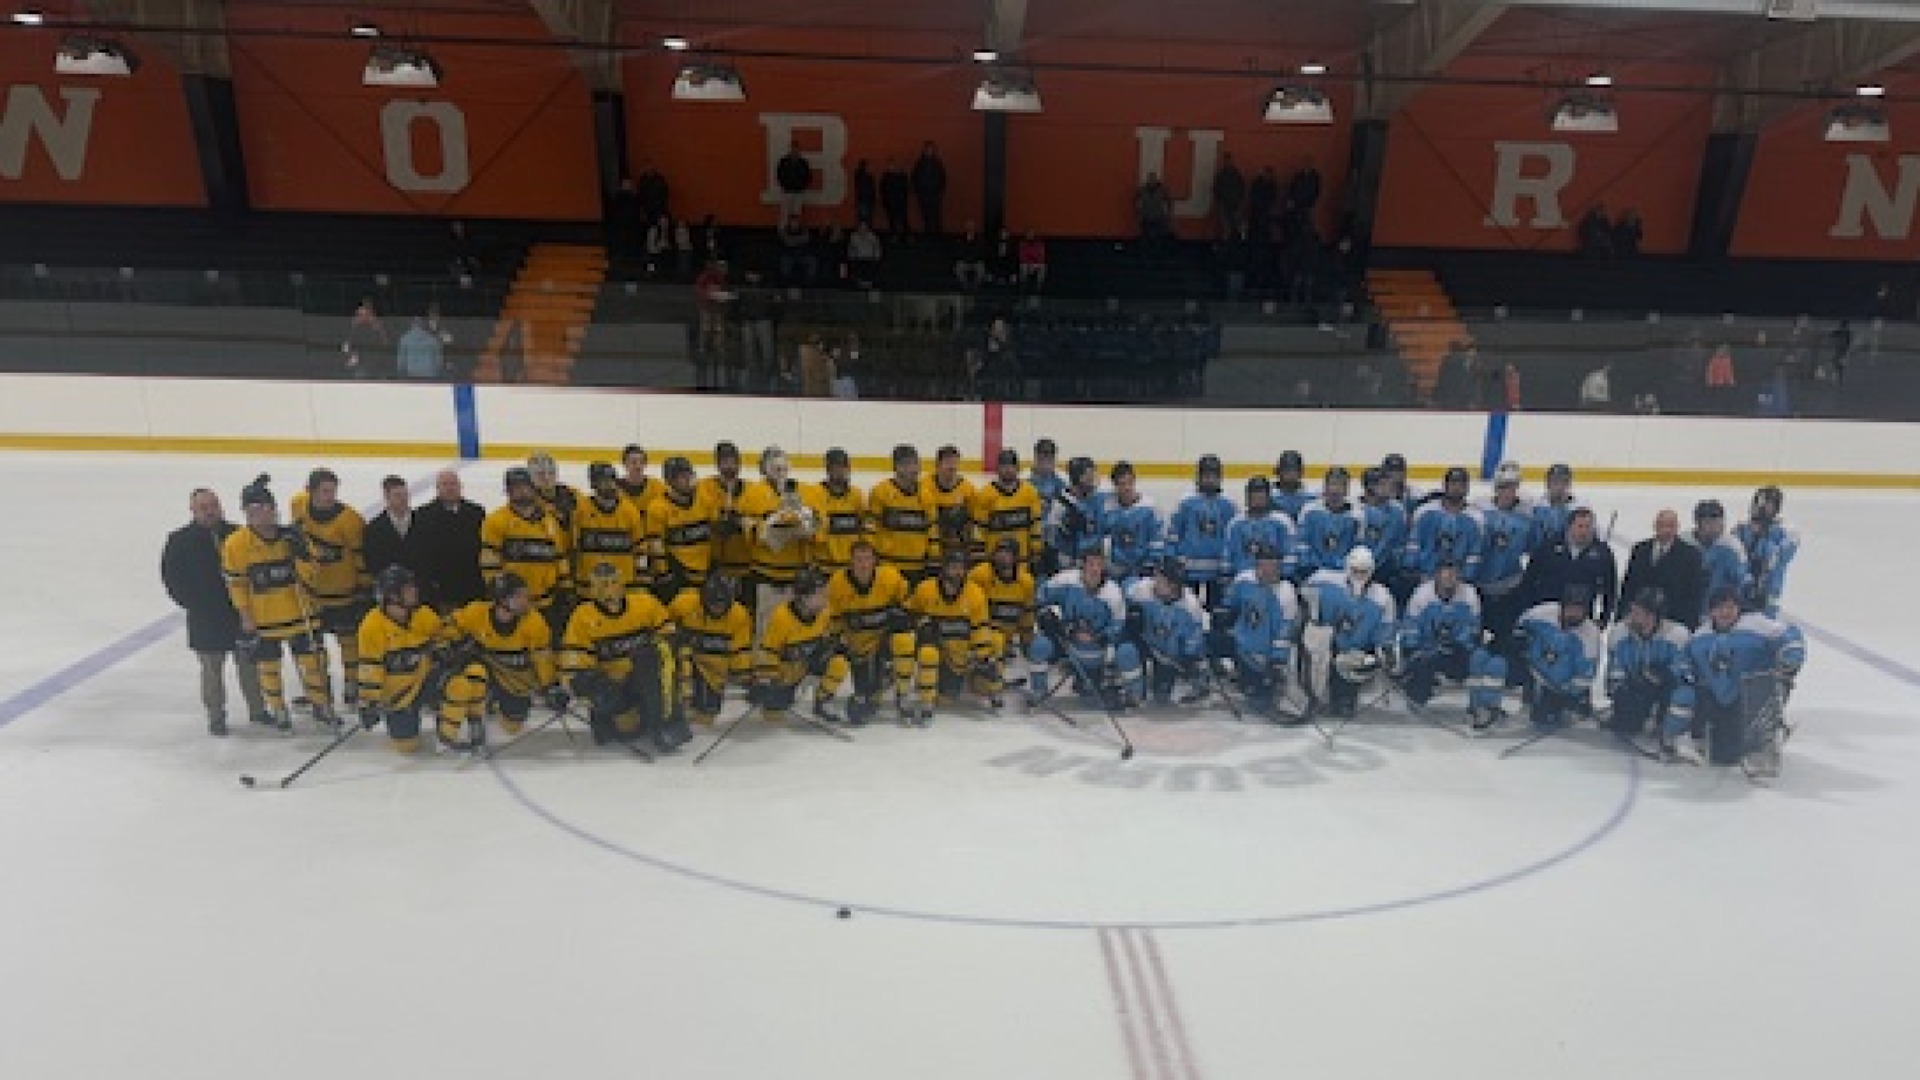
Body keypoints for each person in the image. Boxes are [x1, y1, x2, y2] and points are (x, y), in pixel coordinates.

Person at [221, 475, 333, 731]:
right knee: (269, 669)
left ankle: (322, 705)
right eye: (250, 510)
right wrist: (245, 616)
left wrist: (302, 555)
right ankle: (279, 710)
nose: (256, 514)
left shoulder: (293, 537)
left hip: (300, 612)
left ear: (273, 508)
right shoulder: (236, 545)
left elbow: (314, 576)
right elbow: (236, 584)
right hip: (264, 619)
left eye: (262, 508)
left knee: (313, 664)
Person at [162, 487, 266, 735]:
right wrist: (194, 603)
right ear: (193, 510)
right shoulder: (179, 541)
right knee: (211, 671)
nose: (210, 511)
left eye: (214, 505)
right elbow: (172, 579)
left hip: (239, 614)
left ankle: (258, 710)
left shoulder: (238, 534)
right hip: (205, 617)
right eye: (204, 507)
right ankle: (216, 715)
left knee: (250, 666)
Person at [1676, 587, 1805, 775]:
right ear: (1711, 611)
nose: (1725, 613)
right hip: (1726, 698)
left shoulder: (1758, 625)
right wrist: (1685, 674)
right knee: (1725, 756)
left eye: (1730, 607)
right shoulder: (1701, 637)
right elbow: (1684, 660)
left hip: (1759, 692)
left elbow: (1791, 636)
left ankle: (1766, 744)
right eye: (1720, 608)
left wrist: (1789, 659)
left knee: (1760, 692)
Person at [561, 562, 688, 751]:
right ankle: (626, 715)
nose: (610, 590)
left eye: (613, 582)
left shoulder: (645, 603)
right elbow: (574, 667)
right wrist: (587, 690)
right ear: (593, 588)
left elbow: (670, 637)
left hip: (646, 680)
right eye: (603, 584)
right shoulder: (582, 617)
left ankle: (666, 723)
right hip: (613, 686)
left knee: (652, 656)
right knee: (621, 729)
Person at [441, 572, 566, 747]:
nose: (525, 601)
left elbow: (543, 658)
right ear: (501, 600)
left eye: (525, 595)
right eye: (518, 596)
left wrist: (551, 687)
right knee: (474, 673)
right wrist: (448, 643)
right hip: (488, 674)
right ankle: (464, 726)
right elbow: (446, 628)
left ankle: (494, 705)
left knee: (512, 726)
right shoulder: (476, 612)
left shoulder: (534, 622)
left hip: (516, 682)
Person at [290, 468, 371, 712]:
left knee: (349, 644)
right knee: (315, 647)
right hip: (312, 595)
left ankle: (352, 686)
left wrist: (365, 590)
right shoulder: (299, 506)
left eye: (332, 491)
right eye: (324, 491)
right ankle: (318, 689)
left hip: (344, 593)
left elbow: (360, 559)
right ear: (311, 491)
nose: (330, 496)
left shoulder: (350, 520)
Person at [353, 565, 457, 754]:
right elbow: (370, 669)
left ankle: (447, 734)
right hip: (398, 695)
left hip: (425, 681)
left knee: (460, 681)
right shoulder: (371, 627)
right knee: (406, 746)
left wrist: (447, 647)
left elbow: (442, 635)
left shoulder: (423, 614)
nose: (414, 592)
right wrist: (369, 703)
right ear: (392, 596)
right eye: (407, 589)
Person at [1027, 546, 1142, 709]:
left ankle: (1133, 695)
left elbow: (1119, 625)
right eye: (1091, 564)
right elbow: (1040, 597)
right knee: (1040, 645)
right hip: (1068, 645)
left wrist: (1101, 638)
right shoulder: (1064, 580)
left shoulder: (1113, 594)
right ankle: (1039, 691)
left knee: (1127, 651)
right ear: (1082, 565)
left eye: (1099, 564)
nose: (1095, 569)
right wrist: (1046, 615)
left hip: (1096, 650)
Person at [1396, 559, 1507, 725]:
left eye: (1454, 573)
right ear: (1437, 575)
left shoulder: (1469, 594)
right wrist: (1418, 651)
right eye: (1445, 573)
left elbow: (1473, 628)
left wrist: (1458, 644)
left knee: (1486, 659)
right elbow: (1411, 629)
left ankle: (1481, 706)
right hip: (1428, 652)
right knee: (1419, 665)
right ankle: (1417, 695)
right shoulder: (1421, 595)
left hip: (1457, 652)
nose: (1450, 577)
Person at [1299, 546, 1397, 719]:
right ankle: (1312, 696)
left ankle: (1344, 694)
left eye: (1363, 571)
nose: (1359, 575)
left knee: (1343, 705)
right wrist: (1313, 619)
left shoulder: (1383, 598)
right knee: (1315, 644)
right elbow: (1302, 595)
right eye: (1355, 570)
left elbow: (1385, 634)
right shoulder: (1323, 580)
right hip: (1329, 645)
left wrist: (1385, 653)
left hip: (1357, 653)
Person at [826, 541, 917, 725]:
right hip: (858, 649)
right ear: (850, 562)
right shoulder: (837, 582)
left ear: (875, 561)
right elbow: (832, 620)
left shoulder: (890, 577)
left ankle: (903, 694)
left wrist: (903, 614)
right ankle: (879, 681)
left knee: (904, 640)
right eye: (858, 559)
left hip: (883, 642)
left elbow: (909, 603)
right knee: (867, 699)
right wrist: (837, 643)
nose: (863, 564)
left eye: (867, 559)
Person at [906, 550, 1001, 720]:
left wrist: (984, 658)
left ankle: (989, 687)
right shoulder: (925, 589)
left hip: (961, 653)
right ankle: (925, 701)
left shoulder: (975, 593)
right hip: (937, 651)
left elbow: (981, 627)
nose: (957, 572)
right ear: (944, 569)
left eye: (961, 568)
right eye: (953, 567)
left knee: (996, 641)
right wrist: (922, 625)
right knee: (929, 655)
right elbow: (910, 615)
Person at [479, 467, 573, 640]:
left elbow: (560, 557)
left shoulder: (550, 520)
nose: (521, 491)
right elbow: (489, 562)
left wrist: (566, 587)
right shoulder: (496, 521)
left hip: (547, 601)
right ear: (508, 491)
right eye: (515, 488)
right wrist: (500, 594)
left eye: (525, 486)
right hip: (512, 603)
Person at [752, 568, 849, 725]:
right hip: (784, 674)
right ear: (803, 597)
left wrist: (837, 645)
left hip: (807, 666)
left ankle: (822, 702)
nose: (824, 598)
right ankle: (780, 698)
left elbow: (831, 634)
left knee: (839, 662)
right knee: (773, 718)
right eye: (819, 594)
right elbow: (768, 652)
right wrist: (764, 682)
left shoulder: (824, 613)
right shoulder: (781, 617)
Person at [1214, 542, 1299, 720]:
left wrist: (1277, 660)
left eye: (1273, 565)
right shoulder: (1244, 579)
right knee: (1206, 641)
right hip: (1239, 643)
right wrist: (1224, 612)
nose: (1268, 570)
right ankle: (1219, 676)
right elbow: (1231, 602)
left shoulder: (1286, 593)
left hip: (1261, 656)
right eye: (1263, 564)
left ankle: (1263, 685)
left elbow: (1284, 632)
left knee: (1257, 700)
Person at [743, 447, 819, 644]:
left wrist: (808, 525)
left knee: (795, 634)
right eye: (774, 466)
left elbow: (818, 526)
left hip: (797, 579)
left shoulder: (805, 491)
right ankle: (764, 673)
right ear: (763, 468)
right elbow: (748, 529)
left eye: (782, 466)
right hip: (767, 579)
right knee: (766, 633)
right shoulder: (753, 493)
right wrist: (768, 531)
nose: (780, 470)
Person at [1605, 588, 1691, 746]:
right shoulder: (1620, 632)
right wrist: (1621, 700)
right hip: (1636, 689)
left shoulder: (1677, 635)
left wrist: (1670, 726)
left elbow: (1685, 679)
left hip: (1665, 692)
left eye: (1639, 613)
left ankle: (1668, 728)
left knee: (1678, 696)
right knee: (1625, 719)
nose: (1632, 617)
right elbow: (1614, 675)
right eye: (1633, 611)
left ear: (1653, 616)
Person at [667, 574, 753, 727]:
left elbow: (740, 652)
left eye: (721, 605)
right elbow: (664, 630)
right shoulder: (683, 604)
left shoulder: (740, 615)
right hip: (684, 662)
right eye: (712, 603)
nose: (717, 609)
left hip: (713, 672)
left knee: (706, 719)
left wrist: (747, 679)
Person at [1474, 461, 1537, 664]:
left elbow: (1532, 548)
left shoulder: (1527, 514)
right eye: (1503, 487)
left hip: (1510, 586)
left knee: (1506, 638)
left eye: (1512, 487)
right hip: (1480, 585)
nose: (1507, 492)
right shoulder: (1479, 511)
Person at [1512, 586, 1601, 731]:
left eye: (1579, 610)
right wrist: (1522, 645)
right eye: (1571, 608)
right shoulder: (1541, 614)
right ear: (1562, 606)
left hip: (1564, 685)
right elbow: (1519, 630)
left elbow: (1585, 676)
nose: (1574, 614)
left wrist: (1566, 694)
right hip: (1536, 674)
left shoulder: (1590, 635)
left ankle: (1574, 705)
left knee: (1549, 716)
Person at [1126, 557, 1211, 706]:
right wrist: (1131, 617)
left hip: (1168, 655)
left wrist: (1188, 660)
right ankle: (1135, 692)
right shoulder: (1140, 590)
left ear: (1173, 585)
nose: (1155, 581)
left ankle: (1199, 684)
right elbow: (1123, 589)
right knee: (1126, 651)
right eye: (1156, 575)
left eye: (1160, 578)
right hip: (1146, 643)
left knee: (1162, 695)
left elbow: (1195, 641)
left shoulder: (1191, 607)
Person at [1520, 506, 1618, 626]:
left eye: (1588, 527)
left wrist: (1604, 619)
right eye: (1580, 526)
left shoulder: (1603, 554)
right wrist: (1528, 608)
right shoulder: (1549, 546)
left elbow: (1610, 589)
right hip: (1546, 613)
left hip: (1581, 617)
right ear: (1569, 526)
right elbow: (1529, 578)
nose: (1584, 531)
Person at [1619, 509, 1706, 635]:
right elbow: (1629, 586)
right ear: (1655, 526)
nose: (1666, 530)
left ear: (1677, 528)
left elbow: (1694, 594)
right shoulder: (1640, 550)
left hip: (1674, 622)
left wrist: (1690, 626)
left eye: (1671, 526)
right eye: (1662, 525)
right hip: (1640, 620)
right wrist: (1621, 616)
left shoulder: (1691, 555)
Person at [413, 469, 486, 614]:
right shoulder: (423, 515)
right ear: (437, 488)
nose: (450, 488)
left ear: (460, 486)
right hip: (440, 588)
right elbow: (420, 553)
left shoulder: (476, 512)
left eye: (453, 484)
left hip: (471, 585)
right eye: (445, 484)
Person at [1169, 455, 1237, 609]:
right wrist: (1173, 559)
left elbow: (1232, 538)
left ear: (1220, 478)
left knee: (1218, 613)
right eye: (1206, 476)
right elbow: (1174, 533)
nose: (1209, 480)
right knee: (1187, 608)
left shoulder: (1228, 505)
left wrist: (1229, 567)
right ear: (1198, 477)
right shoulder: (1186, 502)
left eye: (1213, 476)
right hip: (1188, 570)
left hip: (1218, 572)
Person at [646, 456, 718, 602]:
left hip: (706, 576)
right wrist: (664, 575)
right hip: (678, 579)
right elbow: (655, 546)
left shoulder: (704, 500)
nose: (689, 480)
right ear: (670, 481)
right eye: (682, 477)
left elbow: (716, 531)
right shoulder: (658, 508)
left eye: (689, 475)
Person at [573, 462, 648, 601]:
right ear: (593, 484)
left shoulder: (629, 511)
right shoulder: (580, 510)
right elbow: (573, 547)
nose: (610, 485)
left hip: (624, 587)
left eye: (612, 480)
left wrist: (641, 579)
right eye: (603, 482)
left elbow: (640, 548)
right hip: (589, 589)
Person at [970, 538, 1036, 688]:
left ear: (1015, 557)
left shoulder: (1026, 582)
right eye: (999, 552)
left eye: (1007, 553)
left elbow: (1027, 615)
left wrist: (1027, 641)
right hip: (978, 637)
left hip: (1006, 642)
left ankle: (994, 680)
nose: (1002, 556)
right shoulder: (979, 575)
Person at [869, 444, 936, 582]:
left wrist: (933, 558)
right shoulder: (880, 492)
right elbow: (871, 529)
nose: (914, 469)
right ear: (897, 467)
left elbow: (932, 530)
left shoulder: (926, 496)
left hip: (918, 566)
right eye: (907, 464)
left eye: (916, 463)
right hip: (888, 565)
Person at [1407, 467, 1485, 584]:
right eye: (1453, 483)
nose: (1457, 488)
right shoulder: (1424, 512)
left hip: (1459, 583)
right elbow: (1414, 544)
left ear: (1467, 488)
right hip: (1426, 578)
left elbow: (1474, 552)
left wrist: (1466, 576)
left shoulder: (1476, 518)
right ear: (1445, 485)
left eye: (1461, 484)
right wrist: (1412, 566)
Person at [972, 448, 1045, 565]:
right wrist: (979, 555)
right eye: (1004, 466)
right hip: (994, 561)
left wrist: (1036, 550)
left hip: (1022, 560)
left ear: (1017, 468)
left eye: (1011, 466)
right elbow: (979, 529)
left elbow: (1035, 524)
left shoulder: (1029, 492)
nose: (1008, 470)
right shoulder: (985, 494)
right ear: (998, 469)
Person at [1733, 485, 1798, 617]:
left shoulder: (1786, 531)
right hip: (1741, 586)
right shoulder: (1742, 527)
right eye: (1758, 502)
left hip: (1769, 589)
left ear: (1776, 507)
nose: (1761, 507)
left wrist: (1762, 534)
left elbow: (1779, 557)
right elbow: (1733, 553)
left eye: (1767, 503)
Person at [805, 448, 867, 576]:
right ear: (828, 469)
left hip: (850, 568)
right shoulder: (814, 493)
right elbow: (811, 532)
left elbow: (864, 529)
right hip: (822, 568)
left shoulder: (857, 495)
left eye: (843, 467)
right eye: (835, 467)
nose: (840, 471)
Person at [1097, 461, 1161, 582]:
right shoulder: (1108, 506)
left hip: (1143, 569)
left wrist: (1151, 564)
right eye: (1122, 484)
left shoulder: (1150, 507)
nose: (1127, 488)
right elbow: (1101, 534)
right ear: (1114, 486)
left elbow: (1157, 539)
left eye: (1129, 483)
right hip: (1117, 568)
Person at [1296, 467, 1365, 575]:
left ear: (1347, 489)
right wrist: (1311, 568)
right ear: (1325, 487)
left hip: (1345, 574)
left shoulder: (1357, 515)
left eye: (1340, 485)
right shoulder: (1309, 510)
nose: (1335, 489)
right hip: (1313, 573)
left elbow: (1358, 549)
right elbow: (1302, 544)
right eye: (1332, 484)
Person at [1227, 476, 1296, 581]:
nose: (1257, 498)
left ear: (1268, 497)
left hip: (1274, 580)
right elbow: (1228, 555)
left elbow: (1289, 555)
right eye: (1253, 493)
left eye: (1261, 493)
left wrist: (1280, 576)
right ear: (1247, 497)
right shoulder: (1235, 523)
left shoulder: (1283, 521)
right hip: (1243, 582)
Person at [362, 474, 421, 584]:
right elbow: (373, 564)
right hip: (389, 591)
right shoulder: (374, 528)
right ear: (386, 497)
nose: (404, 499)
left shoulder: (423, 522)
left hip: (421, 589)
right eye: (398, 495)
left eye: (406, 495)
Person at [1531, 463, 1583, 543]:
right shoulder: (1535, 505)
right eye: (1555, 482)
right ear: (1548, 484)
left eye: (1564, 482)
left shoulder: (1579, 508)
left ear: (1569, 484)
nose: (1560, 487)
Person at [341, 299, 387, 379]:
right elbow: (346, 346)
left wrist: (379, 329)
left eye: (362, 314)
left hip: (376, 367)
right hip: (360, 368)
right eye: (358, 314)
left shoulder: (377, 327)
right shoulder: (356, 328)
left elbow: (386, 345)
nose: (359, 316)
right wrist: (351, 356)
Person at [911, 141, 947, 236]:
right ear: (924, 150)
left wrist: (939, 191)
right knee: (926, 217)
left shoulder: (938, 163)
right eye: (927, 149)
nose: (929, 151)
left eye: (931, 149)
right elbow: (914, 178)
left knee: (936, 216)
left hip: (934, 195)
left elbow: (943, 178)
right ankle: (928, 236)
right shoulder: (919, 164)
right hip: (923, 195)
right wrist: (918, 191)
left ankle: (938, 236)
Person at [1269, 450, 1314, 523]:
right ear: (1278, 471)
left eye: (1294, 469)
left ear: (1301, 472)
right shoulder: (1268, 497)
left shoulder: (1311, 497)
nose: (1290, 473)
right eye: (1286, 469)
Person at [1212, 152, 1247, 241]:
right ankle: (1227, 244)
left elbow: (1242, 188)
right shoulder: (1221, 175)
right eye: (1226, 161)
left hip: (1236, 203)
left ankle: (1236, 242)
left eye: (1229, 160)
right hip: (1224, 204)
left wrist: (1241, 202)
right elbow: (1216, 189)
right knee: (1226, 227)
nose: (1228, 162)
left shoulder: (1236, 174)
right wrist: (1219, 201)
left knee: (1237, 224)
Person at [775, 141, 812, 223]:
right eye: (792, 149)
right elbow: (779, 175)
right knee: (785, 213)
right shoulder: (783, 162)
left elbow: (808, 176)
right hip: (787, 191)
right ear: (790, 149)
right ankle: (783, 229)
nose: (794, 151)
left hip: (799, 191)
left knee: (797, 213)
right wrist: (784, 185)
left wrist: (802, 186)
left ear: (798, 150)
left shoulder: (803, 163)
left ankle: (795, 231)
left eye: (796, 149)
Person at [880, 157, 911, 239]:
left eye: (892, 165)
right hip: (891, 202)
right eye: (889, 165)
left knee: (902, 219)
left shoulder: (901, 176)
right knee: (892, 220)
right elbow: (883, 190)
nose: (890, 167)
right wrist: (885, 201)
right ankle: (895, 235)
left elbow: (906, 188)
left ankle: (906, 235)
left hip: (900, 201)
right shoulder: (886, 177)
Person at [847, 221, 883, 288]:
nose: (862, 229)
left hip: (870, 259)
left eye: (864, 227)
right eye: (861, 227)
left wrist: (877, 257)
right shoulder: (854, 237)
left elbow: (877, 247)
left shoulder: (872, 236)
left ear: (867, 228)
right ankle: (859, 282)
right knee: (856, 266)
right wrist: (851, 256)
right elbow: (851, 248)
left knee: (872, 267)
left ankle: (869, 282)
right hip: (859, 259)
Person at [954, 222, 988, 289]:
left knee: (981, 268)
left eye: (972, 226)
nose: (970, 228)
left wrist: (976, 259)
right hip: (965, 262)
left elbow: (981, 252)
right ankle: (965, 285)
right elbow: (960, 252)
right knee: (958, 267)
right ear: (966, 228)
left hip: (976, 262)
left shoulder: (979, 239)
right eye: (968, 226)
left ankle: (976, 285)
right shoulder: (961, 239)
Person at [853, 159, 877, 226]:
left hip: (864, 200)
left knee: (864, 219)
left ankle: (865, 231)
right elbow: (871, 190)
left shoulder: (861, 176)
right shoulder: (866, 177)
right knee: (866, 219)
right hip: (865, 200)